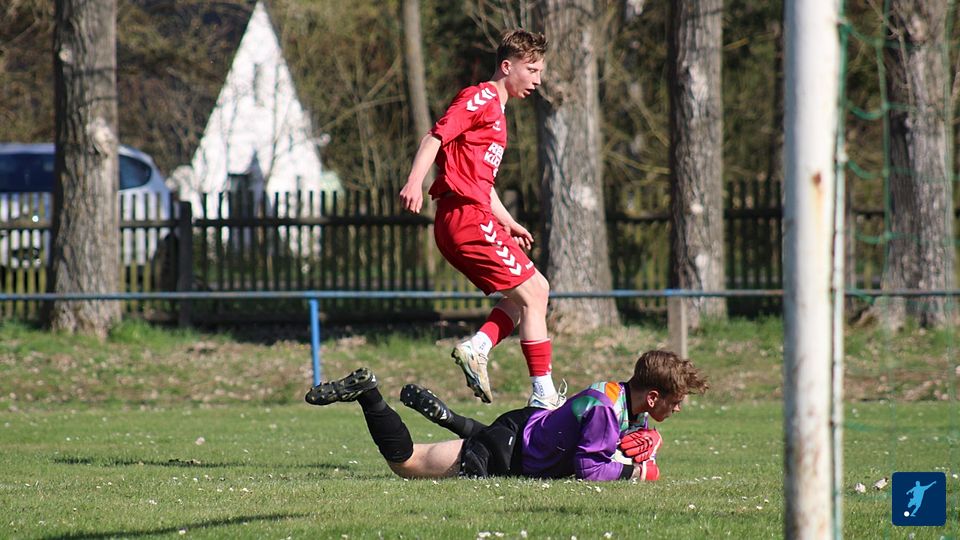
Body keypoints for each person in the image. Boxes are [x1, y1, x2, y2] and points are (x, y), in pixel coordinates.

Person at [398, 29, 559, 408]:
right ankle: (543, 394)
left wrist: (508, 221)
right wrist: (415, 181)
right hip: (464, 216)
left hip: (472, 214)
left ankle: (480, 346)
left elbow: (481, 183)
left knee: (530, 293)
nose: (538, 80)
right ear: (507, 66)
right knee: (536, 293)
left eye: (540, 71)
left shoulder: (498, 114)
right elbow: (434, 137)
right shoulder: (481, 97)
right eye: (532, 70)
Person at [304, 350, 708, 482]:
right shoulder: (605, 411)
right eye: (676, 401)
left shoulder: (618, 394)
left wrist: (652, 439)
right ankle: (371, 396)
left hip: (523, 428)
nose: (678, 408)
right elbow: (589, 468)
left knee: (481, 438)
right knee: (408, 463)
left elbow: (614, 442)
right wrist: (640, 472)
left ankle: (450, 418)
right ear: (652, 396)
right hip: (508, 451)